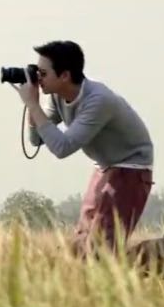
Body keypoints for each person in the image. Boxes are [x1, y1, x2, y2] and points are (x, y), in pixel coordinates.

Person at [12, 40, 154, 254]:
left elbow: (62, 148)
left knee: (102, 247)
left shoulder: (98, 101)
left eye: (43, 73)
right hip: (104, 166)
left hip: (131, 167)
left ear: (64, 75)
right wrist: (34, 107)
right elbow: (37, 139)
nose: (37, 79)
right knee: (81, 242)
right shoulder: (58, 97)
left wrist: (32, 104)